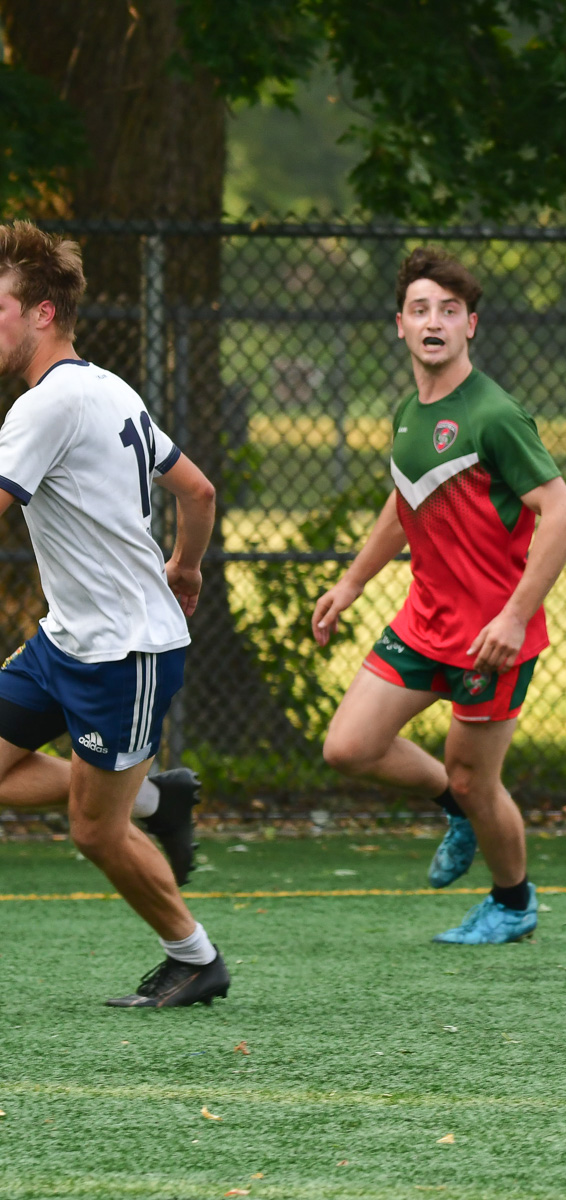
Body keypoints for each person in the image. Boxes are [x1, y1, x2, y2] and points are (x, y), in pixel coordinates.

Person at [311, 248, 566, 946]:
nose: (434, 321)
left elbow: (562, 513)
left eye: (450, 310)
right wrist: (351, 582)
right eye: (421, 309)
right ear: (400, 324)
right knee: (349, 747)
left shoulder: (494, 414)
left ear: (471, 326)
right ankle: (456, 810)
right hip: (424, 622)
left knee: (474, 778)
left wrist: (515, 617)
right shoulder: (410, 412)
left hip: (493, 637)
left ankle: (513, 903)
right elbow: (406, 497)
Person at [0, 221, 226, 1006]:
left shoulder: (45, 406)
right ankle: (157, 799)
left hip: (124, 655)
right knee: (96, 806)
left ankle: (196, 959)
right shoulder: (108, 387)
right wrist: (185, 565)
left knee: (95, 830)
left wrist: (179, 572)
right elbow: (198, 490)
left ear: (41, 313)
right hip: (67, 640)